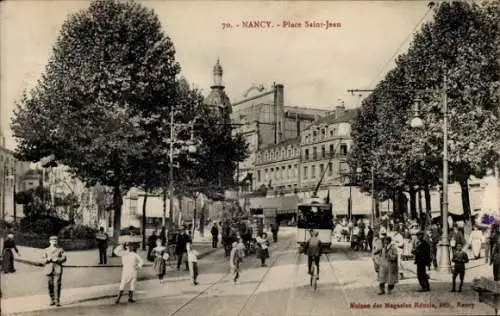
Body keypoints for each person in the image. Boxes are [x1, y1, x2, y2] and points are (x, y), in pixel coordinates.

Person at [41, 236, 67, 307]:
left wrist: (58, 259)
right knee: (50, 285)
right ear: (50, 241)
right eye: (53, 241)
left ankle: (57, 300)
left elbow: (64, 258)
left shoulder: (60, 249)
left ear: (57, 241)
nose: (54, 242)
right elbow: (42, 260)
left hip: (57, 269)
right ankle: (52, 299)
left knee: (57, 285)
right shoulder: (46, 250)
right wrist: (47, 259)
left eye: (55, 241)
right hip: (48, 270)